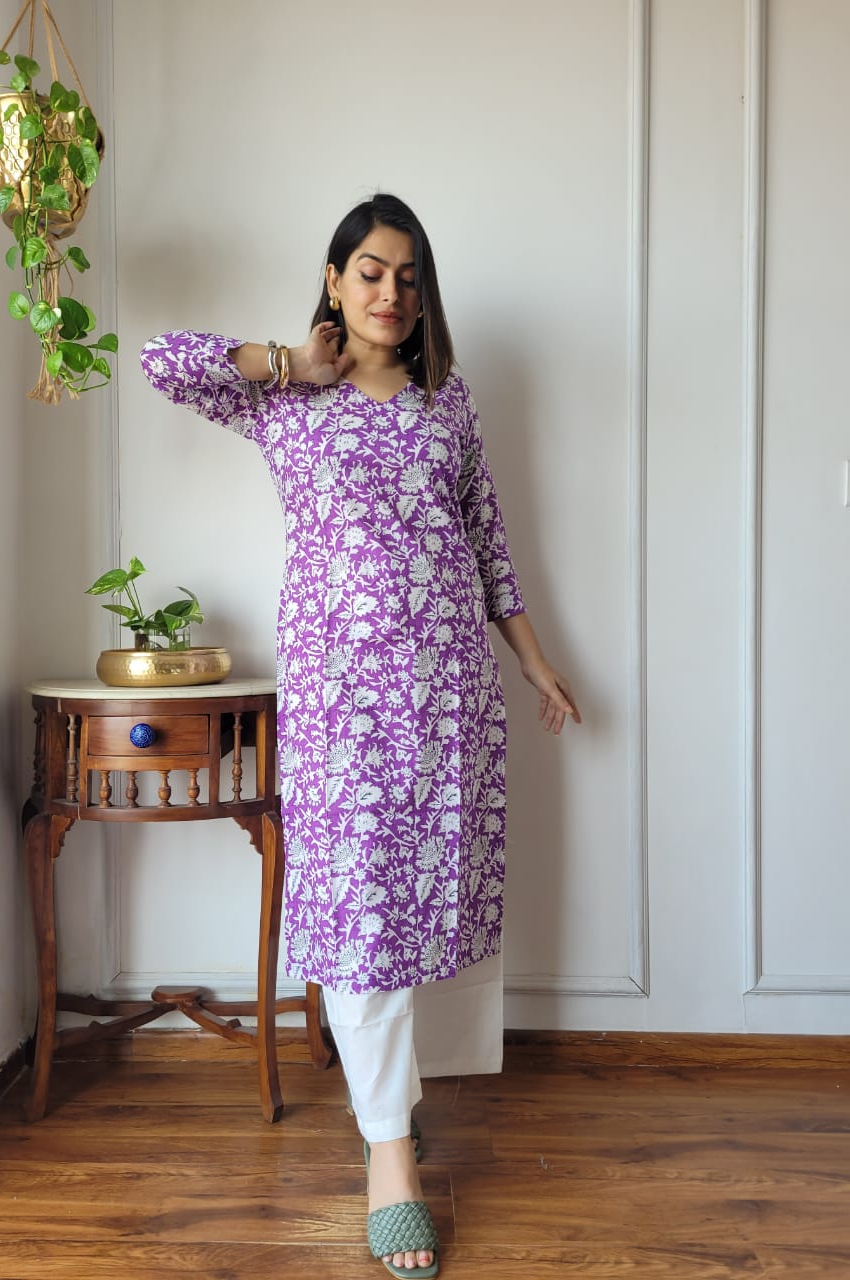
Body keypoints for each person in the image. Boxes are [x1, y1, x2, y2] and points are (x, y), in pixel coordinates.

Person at [141, 192, 581, 1278]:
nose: (393, 293)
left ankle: (398, 1107)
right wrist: (287, 360)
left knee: (424, 909)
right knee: (359, 912)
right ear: (335, 281)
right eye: (372, 272)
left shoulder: (448, 403)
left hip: (447, 694)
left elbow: (488, 542)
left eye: (410, 277)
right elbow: (160, 359)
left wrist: (534, 660)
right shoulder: (286, 398)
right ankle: (389, 1155)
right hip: (342, 704)